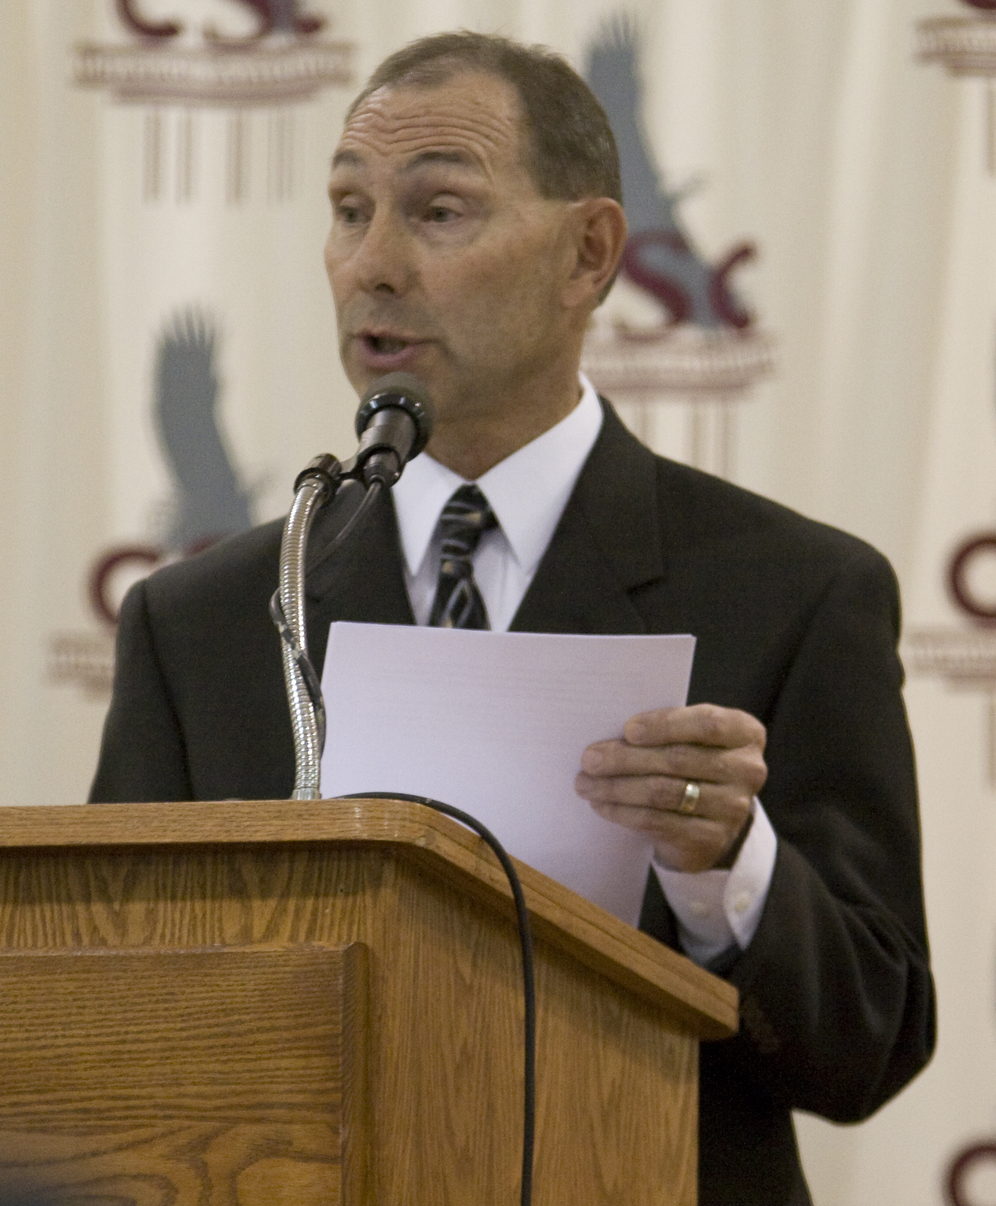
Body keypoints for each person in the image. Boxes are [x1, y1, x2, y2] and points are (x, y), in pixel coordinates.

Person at [90, 32, 935, 1205]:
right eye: (346, 210)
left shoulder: (794, 591)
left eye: (438, 211)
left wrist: (728, 870)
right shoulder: (206, 623)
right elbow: (112, 1028)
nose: (371, 265)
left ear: (587, 254)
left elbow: (868, 1051)